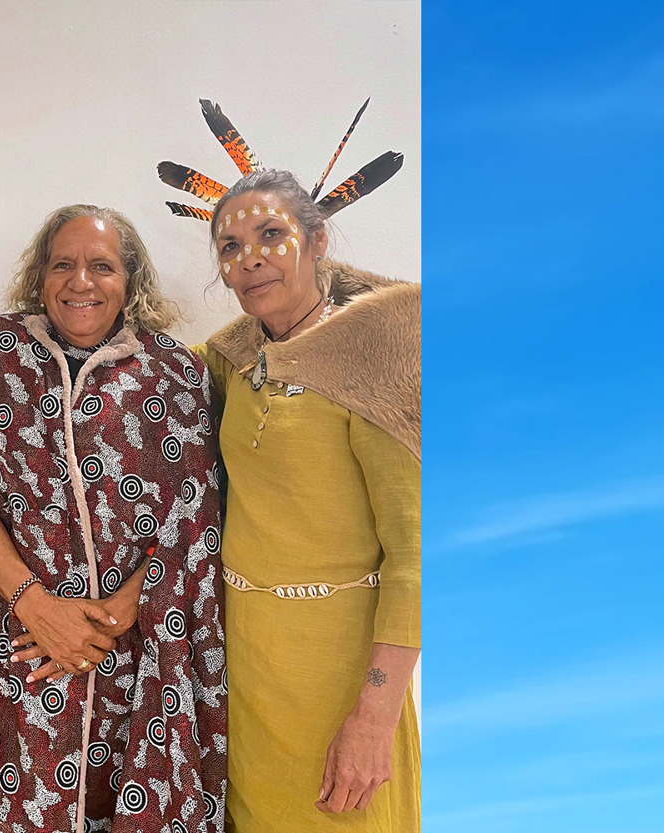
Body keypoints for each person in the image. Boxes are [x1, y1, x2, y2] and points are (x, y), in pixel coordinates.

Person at [0, 206, 228, 833]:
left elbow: (196, 511)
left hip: (134, 652)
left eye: (102, 266)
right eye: (64, 265)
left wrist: (109, 620)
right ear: (40, 276)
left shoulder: (174, 370)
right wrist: (37, 607)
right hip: (19, 647)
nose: (81, 281)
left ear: (130, 282)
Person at [193, 169, 421, 832]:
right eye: (230, 247)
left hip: (339, 671)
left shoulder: (374, 358)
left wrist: (373, 719)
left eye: (271, 234)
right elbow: (145, 370)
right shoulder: (237, 357)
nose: (250, 258)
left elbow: (415, 555)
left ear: (317, 241)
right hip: (248, 662)